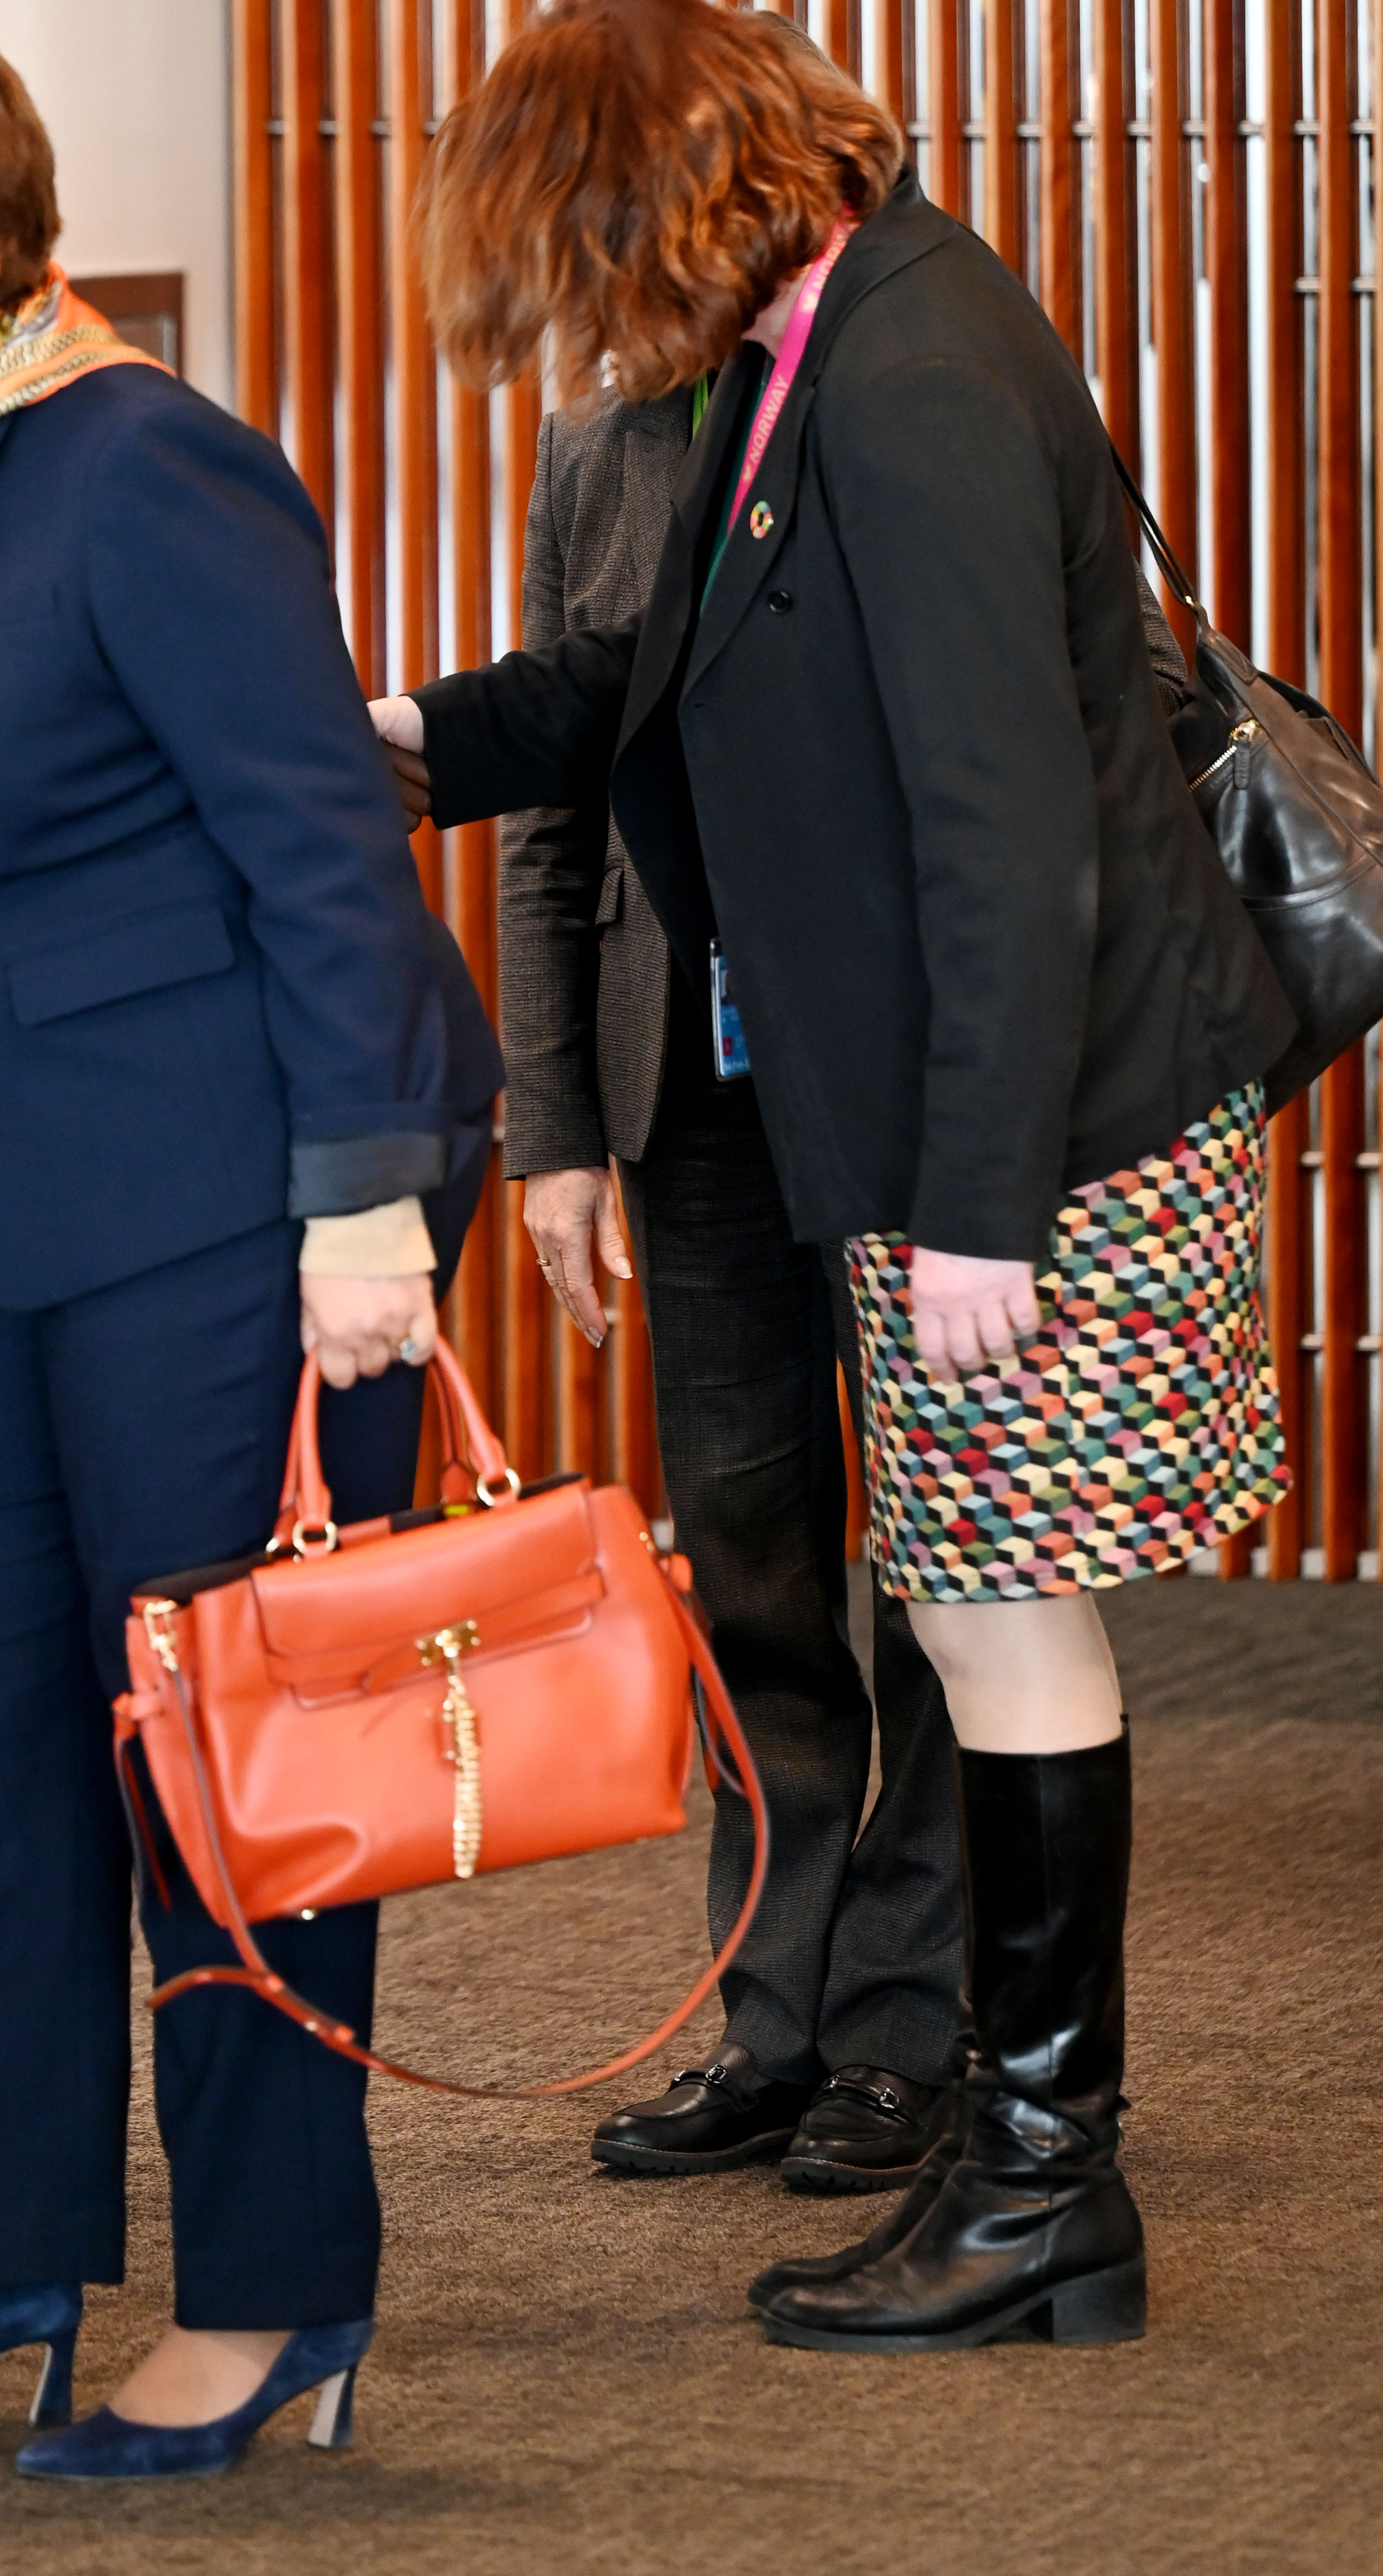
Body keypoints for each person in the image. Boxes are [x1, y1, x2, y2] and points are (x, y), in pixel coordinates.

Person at [379, 0, 1291, 2356]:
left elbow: (1006, 830)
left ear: (661, 195)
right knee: (994, 1622)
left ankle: (1041, 2184)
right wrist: (406, 735)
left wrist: (980, 1202)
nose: (576, 321)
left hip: (1030, 1127)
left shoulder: (902, 367)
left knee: (1000, 1630)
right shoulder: (811, 341)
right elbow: (633, 683)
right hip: (957, 1122)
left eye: (579, 261)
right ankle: (1028, 2176)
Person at [0, 22, 491, 2480]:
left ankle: (273, 2295)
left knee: (233, 1768)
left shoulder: (144, 465)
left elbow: (317, 843)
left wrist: (364, 1204)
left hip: (228, 1203)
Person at [490, 347, 964, 2194]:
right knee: (751, 1573)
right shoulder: (590, 435)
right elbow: (547, 789)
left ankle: (914, 2032)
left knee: (945, 1576)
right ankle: (775, 2021)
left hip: (902, 1076)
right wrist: (551, 1126)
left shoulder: (884, 397)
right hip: (684, 1095)